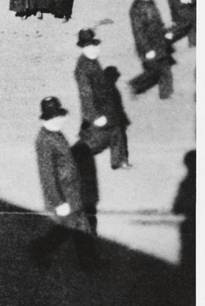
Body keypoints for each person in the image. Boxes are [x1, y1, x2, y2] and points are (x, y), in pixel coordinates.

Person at [28, 97, 105, 271]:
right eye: (58, 115)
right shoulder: (45, 140)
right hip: (64, 195)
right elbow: (46, 174)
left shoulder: (55, 132)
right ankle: (88, 263)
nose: (62, 118)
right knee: (76, 227)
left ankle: (40, 249)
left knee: (72, 227)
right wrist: (58, 202)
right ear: (50, 117)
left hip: (71, 191)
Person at [73, 30, 131, 170]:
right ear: (83, 47)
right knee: (96, 141)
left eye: (94, 45)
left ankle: (119, 160)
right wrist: (95, 116)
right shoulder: (83, 68)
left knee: (116, 129)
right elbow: (85, 95)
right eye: (89, 46)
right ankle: (72, 157)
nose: (93, 48)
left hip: (105, 107)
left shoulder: (92, 60)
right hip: (96, 110)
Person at [127, 0, 174, 99]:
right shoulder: (136, 8)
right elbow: (138, 32)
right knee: (156, 72)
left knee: (165, 70)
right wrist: (147, 49)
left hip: (159, 43)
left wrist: (165, 32)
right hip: (149, 47)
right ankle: (134, 86)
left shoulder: (150, 0)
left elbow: (158, 21)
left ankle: (166, 96)